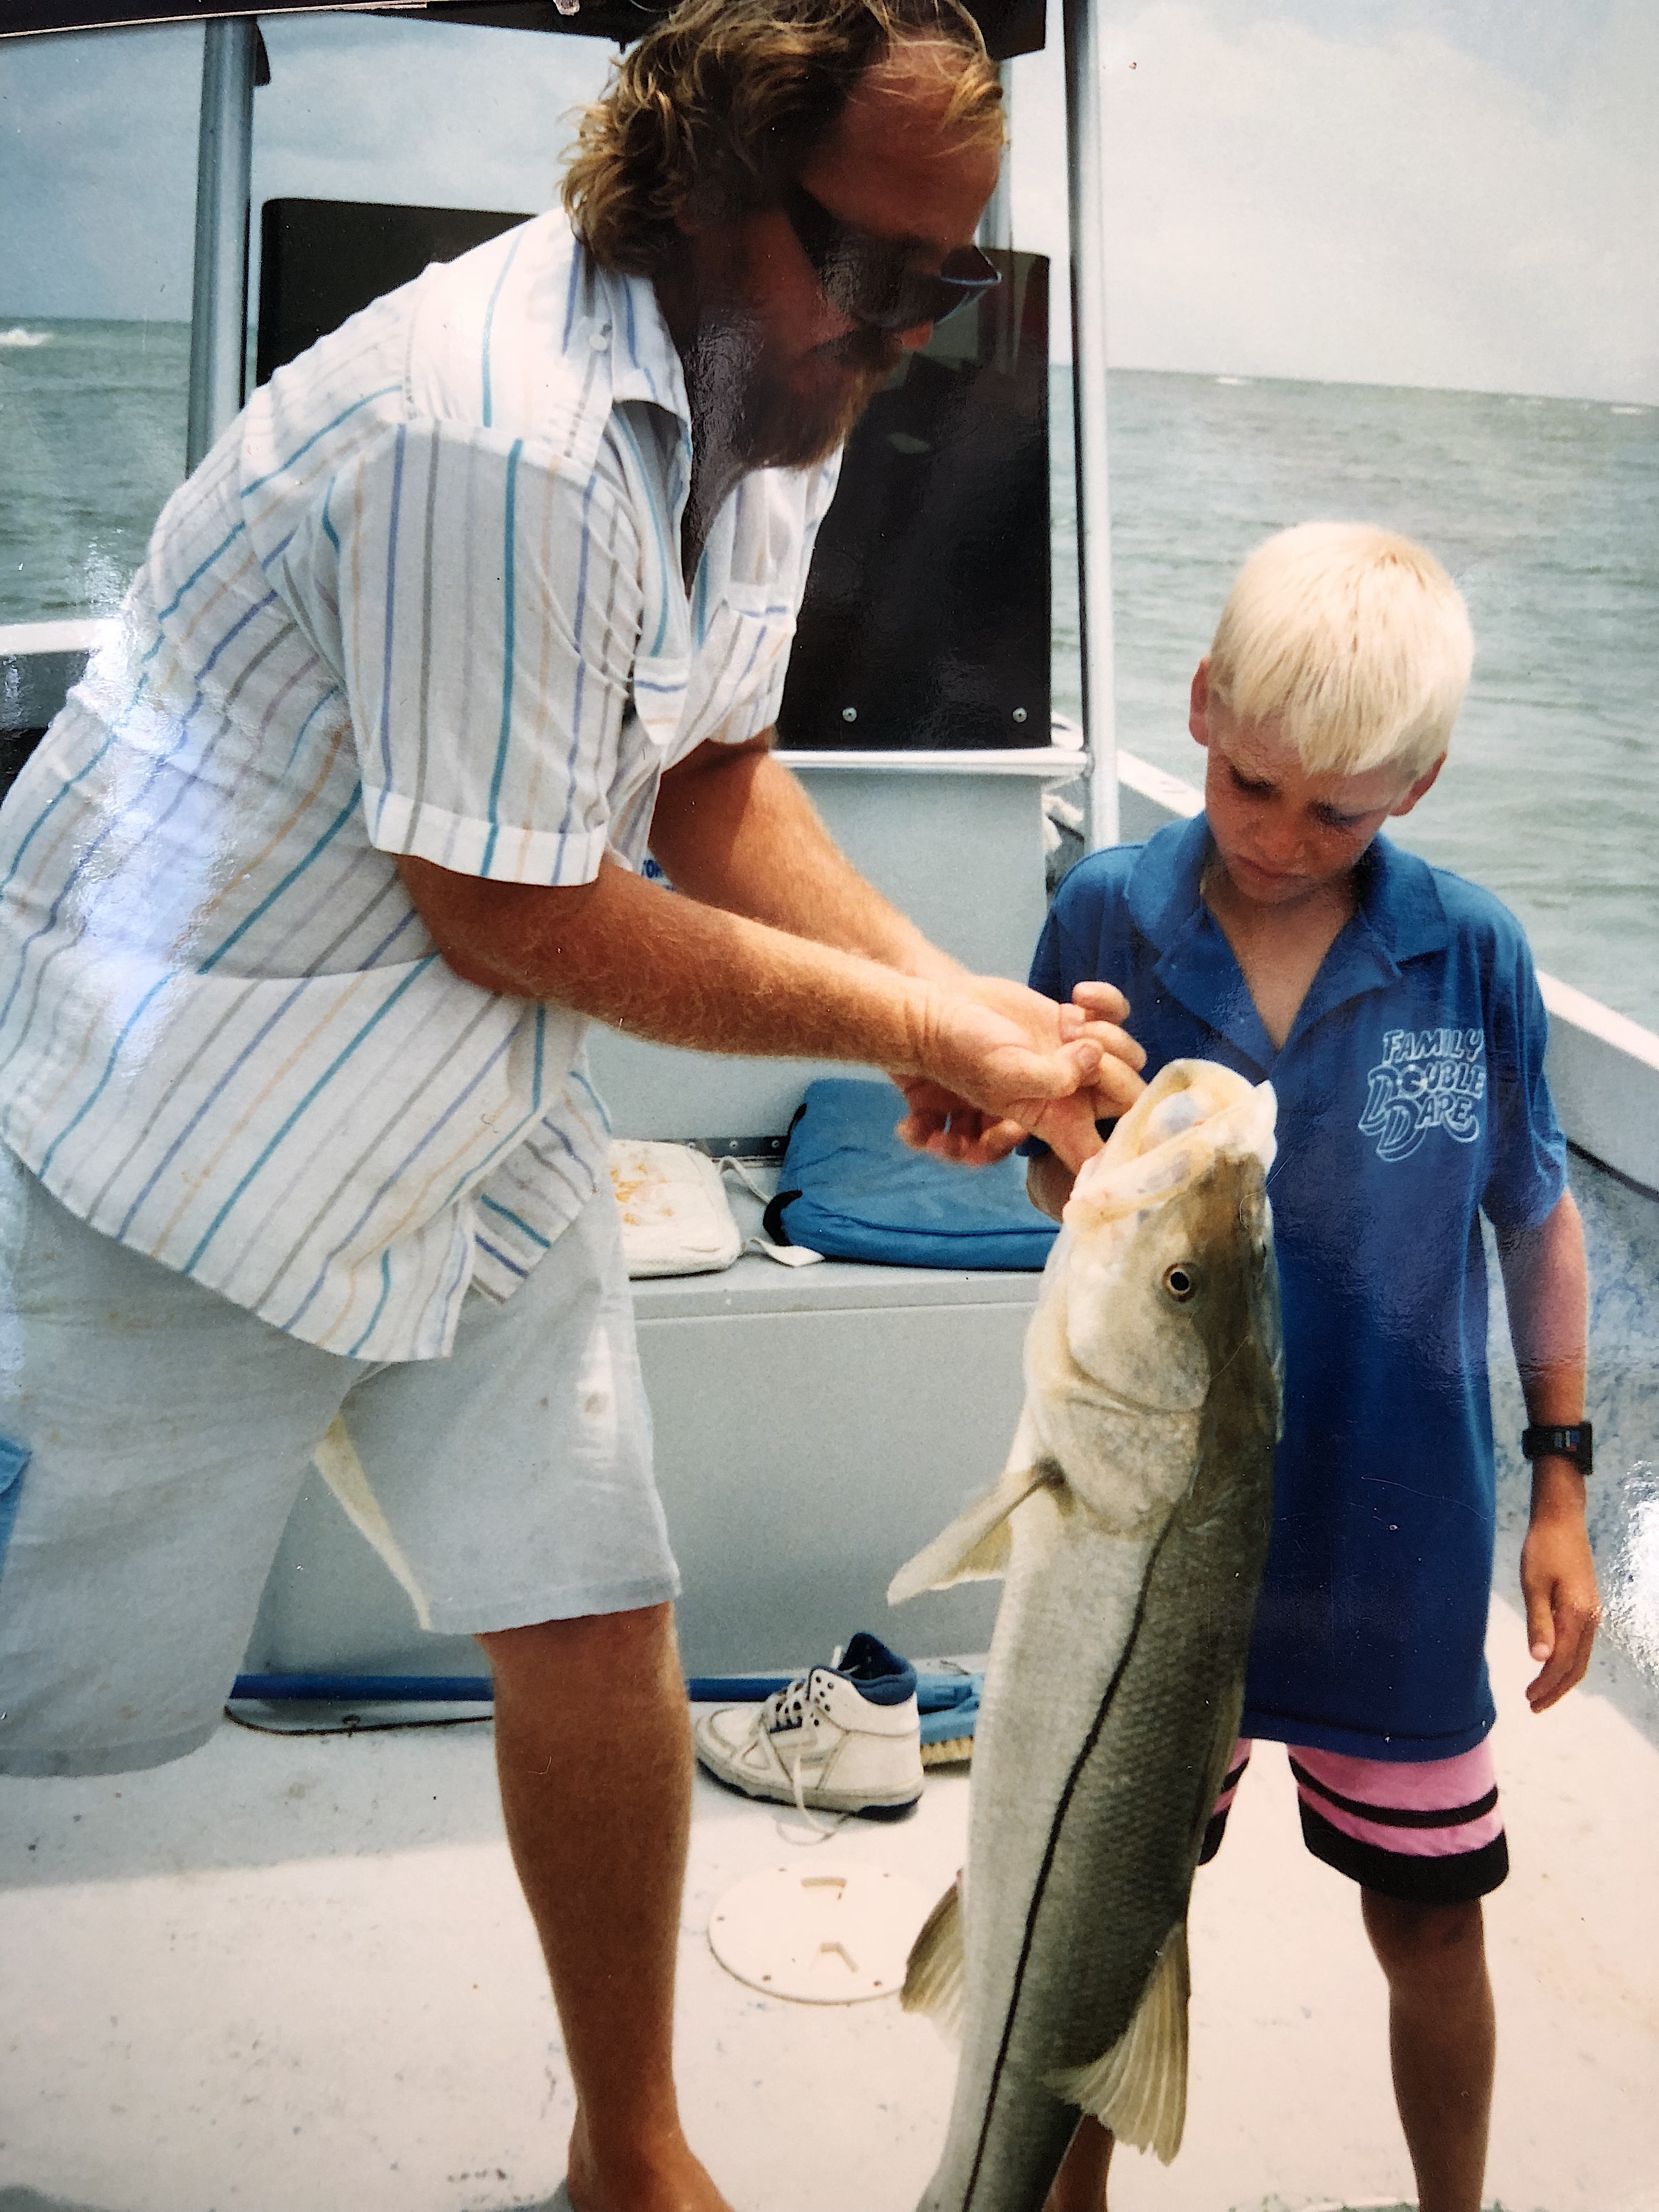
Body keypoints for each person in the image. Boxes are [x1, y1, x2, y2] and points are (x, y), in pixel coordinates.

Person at [0, 4, 1146, 2209]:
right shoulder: (497, 429)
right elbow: (514, 911)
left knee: (591, 1600)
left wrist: (950, 1000)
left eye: (957, 285)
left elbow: (706, 780)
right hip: (179, 1161)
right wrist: (930, 1049)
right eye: (874, 270)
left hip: (466, 1140)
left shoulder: (769, 401)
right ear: (711, 190)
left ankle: (631, 2161)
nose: (909, 335)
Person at [1024, 523, 1601, 2212]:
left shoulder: (1470, 954)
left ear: (1416, 783)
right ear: (1198, 707)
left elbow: (1541, 1221)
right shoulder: (1105, 914)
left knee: (1432, 1916)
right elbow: (1050, 1185)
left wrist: (1559, 1481)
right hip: (1150, 1539)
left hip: (1397, 1545)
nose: (1280, 840)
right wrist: (1071, 1153)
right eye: (1247, 782)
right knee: (1110, 1911)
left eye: (1335, 809)